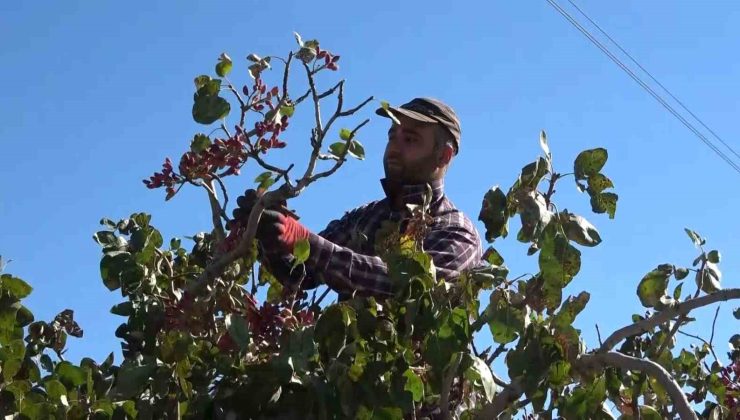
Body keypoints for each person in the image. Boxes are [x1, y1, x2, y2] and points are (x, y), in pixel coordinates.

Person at [233, 97, 484, 298]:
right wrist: (268, 233)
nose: (394, 147)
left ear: (444, 156)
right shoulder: (365, 216)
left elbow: (405, 286)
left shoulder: (456, 231)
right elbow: (301, 275)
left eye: (410, 139)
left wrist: (302, 240)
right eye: (392, 136)